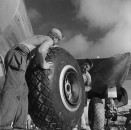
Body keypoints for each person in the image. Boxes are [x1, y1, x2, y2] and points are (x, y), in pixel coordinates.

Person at [0, 28, 63, 129]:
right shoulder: (49, 40)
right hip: (19, 55)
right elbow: (41, 50)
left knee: (24, 92)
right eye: (58, 40)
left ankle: (19, 126)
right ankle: (3, 125)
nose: (57, 42)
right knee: (13, 89)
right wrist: (44, 64)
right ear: (55, 37)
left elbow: (37, 52)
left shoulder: (40, 38)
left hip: (20, 56)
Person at [80, 60, 93, 130]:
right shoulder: (75, 69)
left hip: (81, 94)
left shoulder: (88, 76)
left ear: (88, 69)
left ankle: (83, 126)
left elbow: (89, 86)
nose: (85, 67)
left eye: (87, 67)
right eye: (84, 64)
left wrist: (83, 88)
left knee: (81, 110)